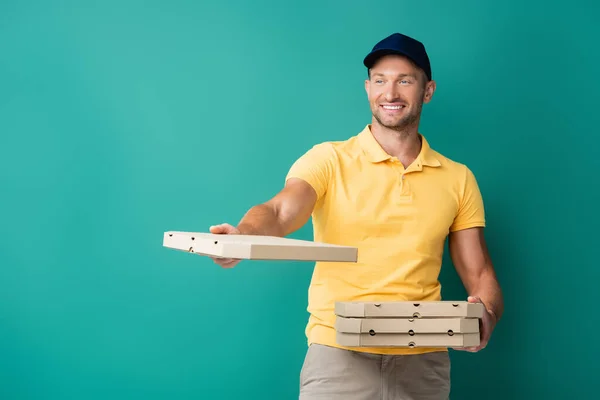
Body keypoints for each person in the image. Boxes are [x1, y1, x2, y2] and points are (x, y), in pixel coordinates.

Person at [209, 32, 504, 400]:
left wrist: (486, 312)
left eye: (404, 81)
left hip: (423, 363)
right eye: (380, 81)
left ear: (427, 91)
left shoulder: (458, 178)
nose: (390, 93)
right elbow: (280, 209)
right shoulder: (328, 159)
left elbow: (480, 275)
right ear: (367, 89)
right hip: (337, 358)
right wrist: (244, 235)